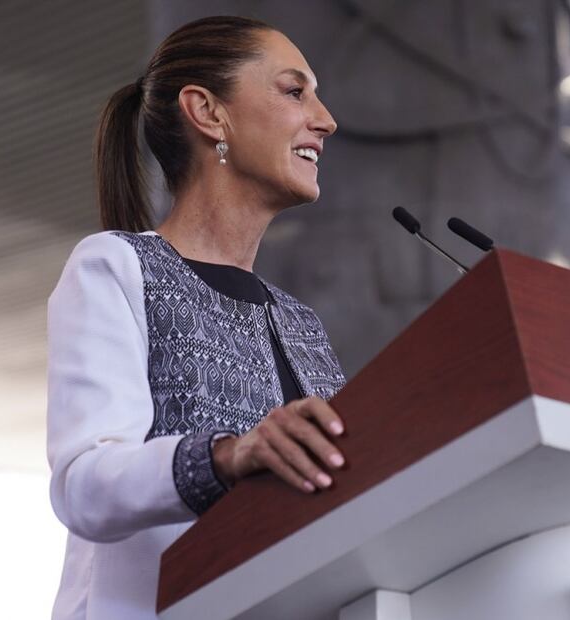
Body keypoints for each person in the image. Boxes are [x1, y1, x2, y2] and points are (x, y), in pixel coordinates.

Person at [46, 16, 348, 619]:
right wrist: (228, 455)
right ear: (208, 112)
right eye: (294, 91)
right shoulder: (115, 267)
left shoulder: (302, 324)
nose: (326, 119)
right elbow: (85, 484)